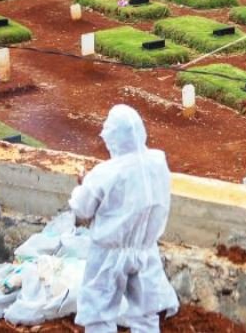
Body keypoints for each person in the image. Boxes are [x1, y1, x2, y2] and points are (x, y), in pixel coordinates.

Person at [69, 104, 179, 333]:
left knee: (99, 313)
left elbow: (82, 209)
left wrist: (84, 183)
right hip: (145, 250)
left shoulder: (106, 172)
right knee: (146, 314)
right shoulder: (158, 163)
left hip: (109, 254)